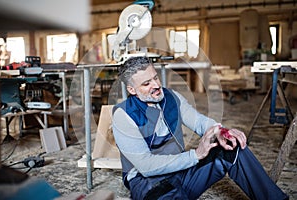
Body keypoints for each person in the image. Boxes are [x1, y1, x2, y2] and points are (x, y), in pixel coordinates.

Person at [112, 56, 289, 200]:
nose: (156, 86)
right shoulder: (123, 115)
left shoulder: (171, 97)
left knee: (231, 146)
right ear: (132, 90)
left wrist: (220, 131)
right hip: (149, 182)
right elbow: (146, 166)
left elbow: (198, 121)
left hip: (181, 171)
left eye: (155, 78)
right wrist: (195, 155)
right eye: (146, 84)